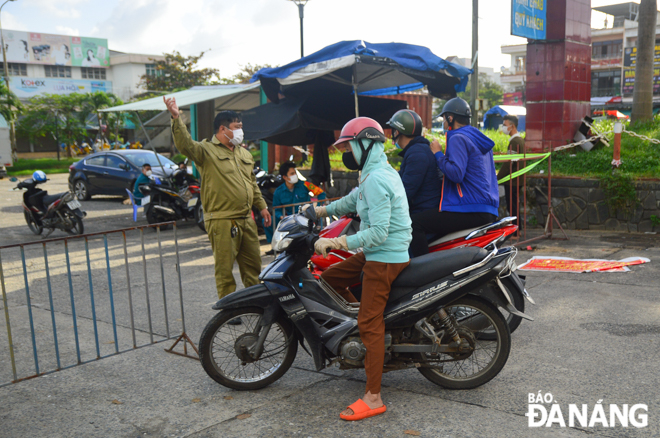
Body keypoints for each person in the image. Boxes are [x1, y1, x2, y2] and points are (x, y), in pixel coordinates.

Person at [308, 117, 411, 421]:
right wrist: (319, 210)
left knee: (370, 323)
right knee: (328, 278)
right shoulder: (372, 173)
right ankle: (359, 319)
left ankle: (374, 396)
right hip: (377, 253)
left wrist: (337, 242)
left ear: (366, 144)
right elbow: (351, 201)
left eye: (350, 145)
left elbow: (378, 232)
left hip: (385, 257)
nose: (346, 152)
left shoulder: (378, 178)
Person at [163, 96, 272, 301]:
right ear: (223, 129)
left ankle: (257, 304)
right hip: (222, 219)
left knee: (253, 267)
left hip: (246, 219)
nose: (240, 130)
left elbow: (251, 184)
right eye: (236, 126)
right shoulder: (206, 151)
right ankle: (229, 309)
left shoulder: (244, 154)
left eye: (241, 126)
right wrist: (176, 118)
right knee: (224, 269)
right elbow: (185, 145)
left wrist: (262, 206)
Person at [410, 97, 499, 257]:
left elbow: (456, 174)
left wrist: (437, 153)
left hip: (469, 208)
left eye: (444, 119)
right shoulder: (477, 138)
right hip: (488, 209)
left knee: (415, 223)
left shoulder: (457, 137)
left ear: (450, 118)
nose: (443, 124)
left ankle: (420, 271)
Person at [386, 109, 442, 214]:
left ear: (397, 132)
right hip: (423, 208)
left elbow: (405, 191)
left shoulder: (417, 154)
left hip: (424, 211)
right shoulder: (417, 150)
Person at [267, 161, 325, 253]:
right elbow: (276, 209)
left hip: (305, 217)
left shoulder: (305, 184)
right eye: (292, 173)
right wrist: (282, 217)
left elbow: (321, 193)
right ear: (285, 177)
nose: (295, 175)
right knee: (268, 220)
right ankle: (276, 246)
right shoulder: (278, 191)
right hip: (289, 218)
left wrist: (316, 208)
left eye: (295, 173)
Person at [498, 115, 525, 226]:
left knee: (512, 206)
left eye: (505, 125)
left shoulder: (515, 142)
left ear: (512, 126)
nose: (503, 127)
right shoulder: (520, 140)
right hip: (517, 179)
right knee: (514, 205)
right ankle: (518, 229)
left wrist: (498, 178)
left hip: (512, 180)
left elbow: (509, 162)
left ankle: (516, 231)